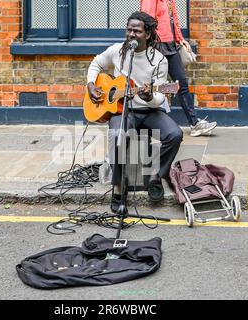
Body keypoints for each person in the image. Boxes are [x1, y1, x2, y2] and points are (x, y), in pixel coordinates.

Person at [86, 11, 183, 212]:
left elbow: (161, 97)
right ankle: (119, 188)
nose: (131, 34)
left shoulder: (158, 60)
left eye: (136, 31)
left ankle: (156, 174)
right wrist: (90, 84)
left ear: (147, 34)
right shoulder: (117, 51)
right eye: (129, 30)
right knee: (116, 135)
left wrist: (149, 96)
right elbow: (96, 63)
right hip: (123, 111)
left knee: (175, 134)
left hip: (149, 110)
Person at [141, 0, 217, 137]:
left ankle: (194, 124)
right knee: (154, 87)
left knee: (182, 84)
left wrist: (180, 38)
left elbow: (173, 18)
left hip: (171, 45)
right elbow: (146, 21)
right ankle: (148, 126)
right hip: (157, 46)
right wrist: (149, 47)